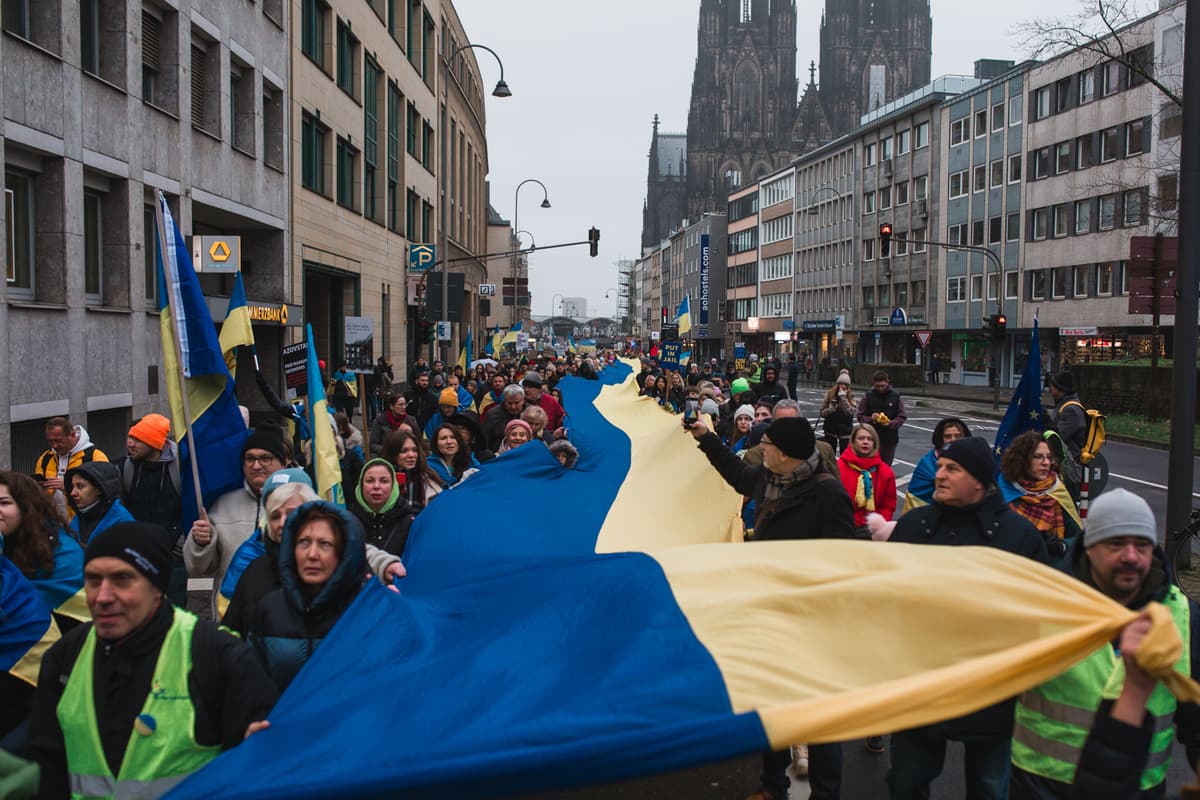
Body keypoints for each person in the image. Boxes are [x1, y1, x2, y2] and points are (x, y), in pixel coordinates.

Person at [23, 522, 278, 798]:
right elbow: (45, 770)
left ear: (158, 588)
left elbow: (258, 771)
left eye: (122, 579)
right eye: (93, 580)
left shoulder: (218, 655)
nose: (103, 597)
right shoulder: (64, 659)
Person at [687, 414, 852, 800]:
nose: (763, 447)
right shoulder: (768, 478)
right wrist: (706, 438)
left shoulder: (827, 494)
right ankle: (772, 785)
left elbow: (844, 560)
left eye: (770, 445)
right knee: (773, 708)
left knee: (820, 718)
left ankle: (826, 794)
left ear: (787, 453)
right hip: (770, 614)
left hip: (811, 621)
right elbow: (736, 476)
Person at [886, 437, 1048, 800]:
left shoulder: (1017, 537)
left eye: (952, 469)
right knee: (906, 783)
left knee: (990, 787)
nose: (939, 475)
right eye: (940, 466)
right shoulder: (914, 527)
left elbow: (1037, 614)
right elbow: (888, 602)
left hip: (992, 691)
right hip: (921, 687)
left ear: (978, 480)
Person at [1010, 489, 1200, 800]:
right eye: (1116, 543)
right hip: (1042, 786)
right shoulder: (1044, 605)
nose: (1130, 556)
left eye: (1142, 545)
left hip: (1141, 788)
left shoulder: (1183, 616)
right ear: (1089, 548)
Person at [247, 502, 371, 692]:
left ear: (345, 553)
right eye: (303, 542)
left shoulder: (366, 611)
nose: (312, 555)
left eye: (325, 544)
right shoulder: (270, 609)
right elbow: (251, 684)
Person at [185, 421, 288, 601]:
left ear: (283, 462)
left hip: (284, 616)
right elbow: (198, 569)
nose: (256, 466)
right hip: (230, 614)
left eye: (265, 458)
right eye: (250, 459)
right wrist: (201, 543)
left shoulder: (300, 501)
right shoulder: (222, 505)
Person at [0, 471, 85, 628]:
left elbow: (18, 608)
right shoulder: (8, 540)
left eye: (4, 503)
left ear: (27, 507)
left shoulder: (61, 549)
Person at [114, 414, 185, 603]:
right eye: (130, 438)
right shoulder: (125, 468)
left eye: (137, 439)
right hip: (137, 551)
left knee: (174, 608)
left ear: (153, 442)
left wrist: (178, 544)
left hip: (173, 555)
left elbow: (190, 507)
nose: (130, 444)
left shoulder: (181, 467)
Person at [999, 430, 1082, 561]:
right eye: (1038, 456)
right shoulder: (1003, 492)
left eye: (1049, 457)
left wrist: (1062, 546)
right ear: (1022, 460)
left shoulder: (1057, 491)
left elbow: (1079, 539)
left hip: (1050, 570)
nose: (1046, 462)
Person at [34, 417, 109, 523]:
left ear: (72, 434)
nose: (54, 445)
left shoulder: (95, 457)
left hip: (85, 523)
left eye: (58, 440)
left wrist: (68, 487)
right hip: (53, 525)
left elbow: (105, 491)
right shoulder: (46, 458)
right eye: (50, 441)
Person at [347, 459, 417, 558]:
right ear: (361, 485)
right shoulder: (348, 522)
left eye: (384, 481)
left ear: (393, 486)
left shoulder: (410, 523)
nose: (376, 486)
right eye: (370, 481)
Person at [901, 417, 971, 513]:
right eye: (948, 436)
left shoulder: (972, 460)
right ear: (940, 439)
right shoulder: (927, 463)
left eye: (958, 436)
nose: (953, 440)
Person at [837, 424, 897, 536]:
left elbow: (888, 504)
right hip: (843, 528)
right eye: (861, 438)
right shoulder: (839, 467)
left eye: (870, 439)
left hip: (873, 531)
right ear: (853, 441)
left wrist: (879, 525)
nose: (865, 442)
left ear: (875, 443)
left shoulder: (885, 471)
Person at [66, 462, 135, 546]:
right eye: (72, 487)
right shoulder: (77, 519)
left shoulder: (123, 523)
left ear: (99, 489)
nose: (72, 493)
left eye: (80, 486)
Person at [382, 430, 444, 513]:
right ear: (393, 453)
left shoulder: (428, 479)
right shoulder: (382, 481)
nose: (411, 455)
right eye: (404, 451)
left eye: (414, 450)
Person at [856, 369, 907, 466]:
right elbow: (860, 416)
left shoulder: (896, 397)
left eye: (882, 386)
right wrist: (871, 419)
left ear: (887, 382)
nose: (880, 389)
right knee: (871, 467)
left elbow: (901, 416)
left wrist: (891, 423)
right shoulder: (868, 396)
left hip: (889, 439)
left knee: (886, 468)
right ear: (874, 384)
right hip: (872, 439)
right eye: (877, 386)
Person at [1046, 371, 1087, 464]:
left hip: (1069, 462)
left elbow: (1057, 437)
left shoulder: (1071, 410)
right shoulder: (1063, 404)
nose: (1050, 388)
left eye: (1052, 386)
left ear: (1060, 388)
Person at [483, 385, 529, 452]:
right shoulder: (492, 415)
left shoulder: (531, 413)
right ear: (504, 400)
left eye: (516, 403)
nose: (513, 407)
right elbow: (485, 439)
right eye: (510, 403)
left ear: (523, 400)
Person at [819, 372, 855, 454]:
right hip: (831, 429)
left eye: (845, 384)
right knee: (830, 455)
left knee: (845, 455)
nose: (843, 386)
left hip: (845, 430)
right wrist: (830, 410)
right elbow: (822, 412)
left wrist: (843, 398)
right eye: (841, 383)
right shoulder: (830, 394)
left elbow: (850, 412)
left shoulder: (851, 396)